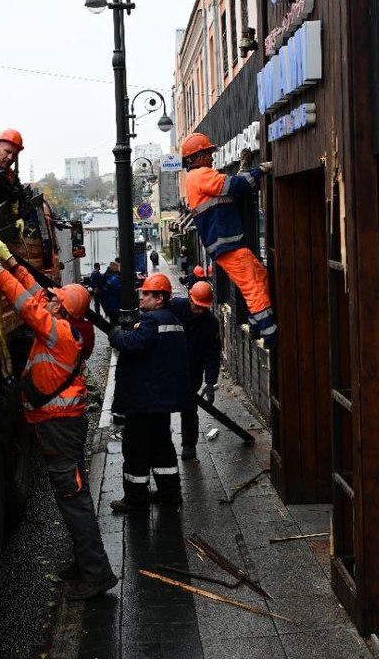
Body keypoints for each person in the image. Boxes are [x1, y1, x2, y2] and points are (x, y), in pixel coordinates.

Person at [0, 234, 117, 600]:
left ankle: (96, 573)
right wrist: (11, 262)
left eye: (57, 299)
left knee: (72, 497)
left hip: (59, 425)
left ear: (64, 310)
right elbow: (36, 295)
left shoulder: (59, 332)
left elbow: (27, 306)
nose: (51, 299)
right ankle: (86, 564)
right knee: (71, 495)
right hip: (61, 422)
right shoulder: (64, 325)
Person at [181, 133, 276, 347]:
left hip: (227, 244)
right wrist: (261, 170)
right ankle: (270, 334)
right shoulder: (201, 175)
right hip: (227, 245)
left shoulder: (196, 178)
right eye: (209, 153)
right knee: (252, 284)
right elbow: (234, 186)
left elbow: (229, 191)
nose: (212, 157)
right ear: (199, 156)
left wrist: (243, 175)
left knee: (259, 276)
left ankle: (256, 324)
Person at [108, 273, 190, 511]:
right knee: (162, 447)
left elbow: (131, 344)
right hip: (160, 402)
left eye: (146, 294)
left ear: (159, 298)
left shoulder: (151, 320)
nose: (141, 297)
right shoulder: (174, 321)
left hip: (143, 401)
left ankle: (136, 500)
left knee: (136, 450)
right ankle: (169, 494)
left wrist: (115, 334)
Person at [170, 280, 220, 461]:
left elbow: (212, 355)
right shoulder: (175, 308)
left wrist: (210, 382)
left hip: (192, 371)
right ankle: (161, 443)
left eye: (203, 308)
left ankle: (189, 444)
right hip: (169, 367)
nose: (199, 311)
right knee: (161, 405)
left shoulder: (211, 323)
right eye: (197, 306)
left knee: (189, 408)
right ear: (190, 299)